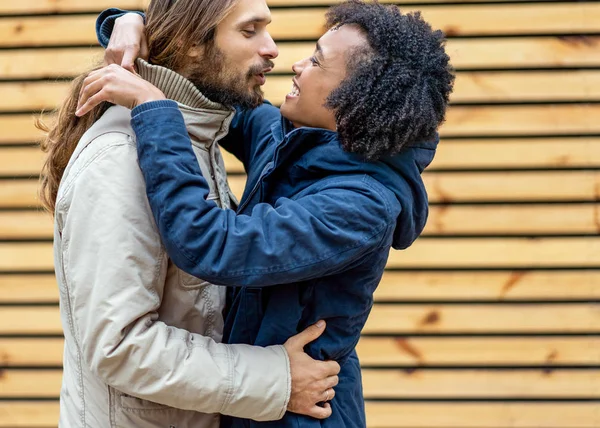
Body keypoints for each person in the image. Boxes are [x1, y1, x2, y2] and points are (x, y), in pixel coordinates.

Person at [79, 1, 454, 427]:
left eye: (316, 61)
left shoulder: (359, 207)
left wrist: (152, 109)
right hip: (257, 402)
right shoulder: (287, 138)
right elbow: (214, 84)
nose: (295, 64)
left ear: (354, 98)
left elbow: (211, 244)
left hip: (304, 412)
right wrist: (131, 24)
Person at [40, 0, 341, 427]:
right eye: (250, 30)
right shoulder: (122, 159)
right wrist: (275, 380)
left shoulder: (196, 135)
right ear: (192, 45)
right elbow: (119, 346)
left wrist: (133, 23)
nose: (273, 48)